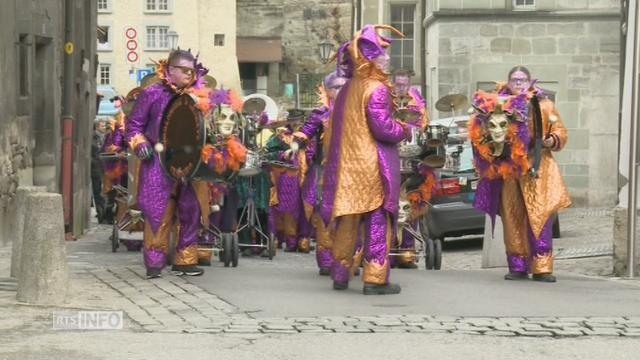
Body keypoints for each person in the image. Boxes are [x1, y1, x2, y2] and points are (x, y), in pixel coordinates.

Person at [321, 24, 410, 295]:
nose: (387, 58)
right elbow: (382, 128)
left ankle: (340, 272)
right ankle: (375, 277)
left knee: (348, 219)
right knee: (377, 219)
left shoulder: (348, 88)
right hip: (373, 166)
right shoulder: (377, 89)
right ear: (371, 58)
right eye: (383, 54)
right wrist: (405, 129)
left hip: (348, 167)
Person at [470, 65, 570, 283]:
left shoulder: (543, 104)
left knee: (540, 217)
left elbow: (560, 131)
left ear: (529, 82)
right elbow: (483, 130)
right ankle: (517, 265)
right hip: (509, 172)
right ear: (508, 81)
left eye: (522, 79)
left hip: (537, 169)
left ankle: (542, 267)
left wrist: (550, 140)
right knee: (512, 217)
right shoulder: (497, 105)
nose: (518, 83)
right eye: (514, 79)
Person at [126, 49, 213, 279]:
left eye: (192, 72)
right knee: (158, 211)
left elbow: (208, 130)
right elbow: (134, 126)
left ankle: (185, 260)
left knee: (192, 209)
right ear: (171, 70)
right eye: (184, 71)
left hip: (191, 162)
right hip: (157, 160)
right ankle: (154, 262)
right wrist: (140, 144)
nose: (189, 75)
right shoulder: (152, 93)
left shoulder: (199, 97)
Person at [293, 70, 348, 275]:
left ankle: (346, 258)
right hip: (325, 170)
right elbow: (306, 131)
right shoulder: (321, 113)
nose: (341, 90)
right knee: (324, 214)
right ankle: (326, 260)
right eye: (336, 87)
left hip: (351, 170)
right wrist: (297, 141)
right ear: (327, 90)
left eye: (344, 86)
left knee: (350, 214)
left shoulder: (357, 111)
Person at [91, 120, 107, 223]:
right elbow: (97, 151)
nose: (104, 127)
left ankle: (103, 213)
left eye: (104, 125)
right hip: (97, 168)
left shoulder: (102, 136)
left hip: (100, 167)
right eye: (102, 126)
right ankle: (102, 214)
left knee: (101, 192)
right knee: (98, 192)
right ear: (97, 127)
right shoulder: (96, 137)